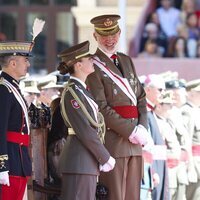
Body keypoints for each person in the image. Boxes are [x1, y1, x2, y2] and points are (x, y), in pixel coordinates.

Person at [86, 14, 149, 200]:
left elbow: (141, 97)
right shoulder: (92, 64)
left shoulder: (126, 60)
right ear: (95, 36)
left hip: (136, 143)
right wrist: (130, 130)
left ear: (120, 33)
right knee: (115, 195)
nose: (110, 40)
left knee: (132, 196)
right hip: (114, 143)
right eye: (104, 35)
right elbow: (100, 107)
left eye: (113, 34)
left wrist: (143, 127)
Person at [57, 40, 115, 200]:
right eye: (88, 59)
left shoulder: (81, 90)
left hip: (84, 160)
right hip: (78, 160)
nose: (92, 61)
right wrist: (104, 156)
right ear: (78, 65)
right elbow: (84, 129)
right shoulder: (72, 92)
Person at [0, 41, 33, 199]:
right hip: (10, 162)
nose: (28, 64)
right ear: (13, 63)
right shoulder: (3, 90)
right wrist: (2, 165)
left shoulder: (13, 88)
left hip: (19, 159)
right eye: (25, 60)